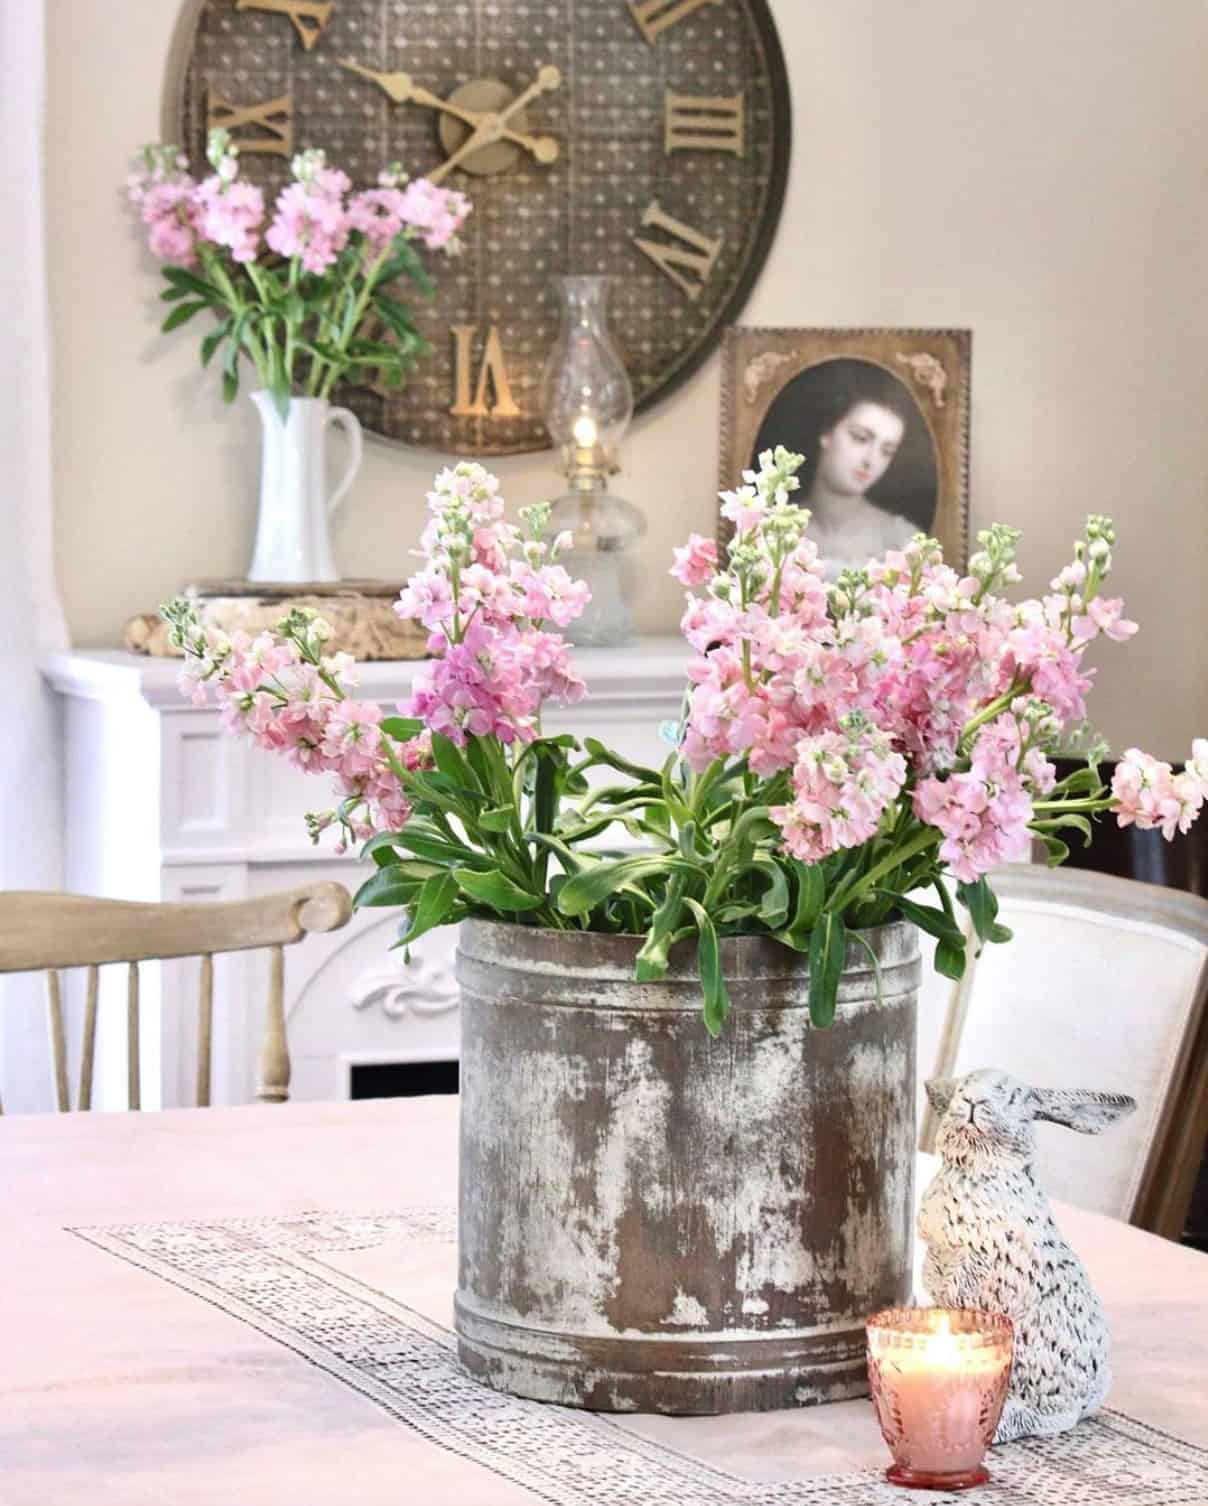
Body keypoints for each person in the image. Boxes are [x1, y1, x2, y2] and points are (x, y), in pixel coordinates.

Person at [790, 366, 924, 578]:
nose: (871, 460)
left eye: (886, 451)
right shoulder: (775, 530)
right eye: (860, 438)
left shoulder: (903, 541)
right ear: (827, 433)